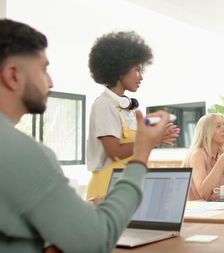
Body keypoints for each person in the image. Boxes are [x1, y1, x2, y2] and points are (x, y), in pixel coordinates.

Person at [0, 19, 179, 252]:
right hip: (111, 186)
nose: (51, 81)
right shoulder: (22, 153)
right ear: (13, 75)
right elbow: (96, 241)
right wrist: (142, 148)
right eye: (44, 69)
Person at [86, 31, 179, 200]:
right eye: (137, 70)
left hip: (124, 183)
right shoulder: (104, 105)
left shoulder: (123, 106)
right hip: (106, 187)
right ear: (120, 70)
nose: (141, 77)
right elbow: (114, 152)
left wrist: (154, 137)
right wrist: (152, 140)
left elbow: (133, 149)